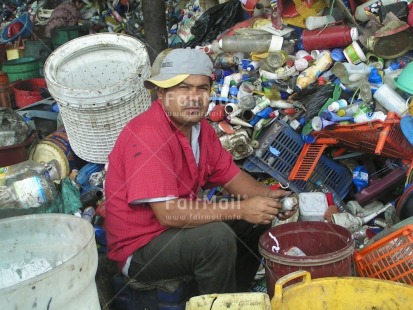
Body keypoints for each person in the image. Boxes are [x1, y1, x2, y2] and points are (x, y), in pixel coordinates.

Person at [104, 48, 296, 294]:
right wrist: (241, 209)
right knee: (216, 238)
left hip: (177, 230)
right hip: (141, 248)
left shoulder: (201, 130)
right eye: (183, 88)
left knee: (257, 217)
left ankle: (234, 296)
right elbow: (169, 215)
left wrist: (271, 199)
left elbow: (235, 179)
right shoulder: (148, 134)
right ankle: (217, 304)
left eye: (201, 88)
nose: (194, 98)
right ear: (162, 94)